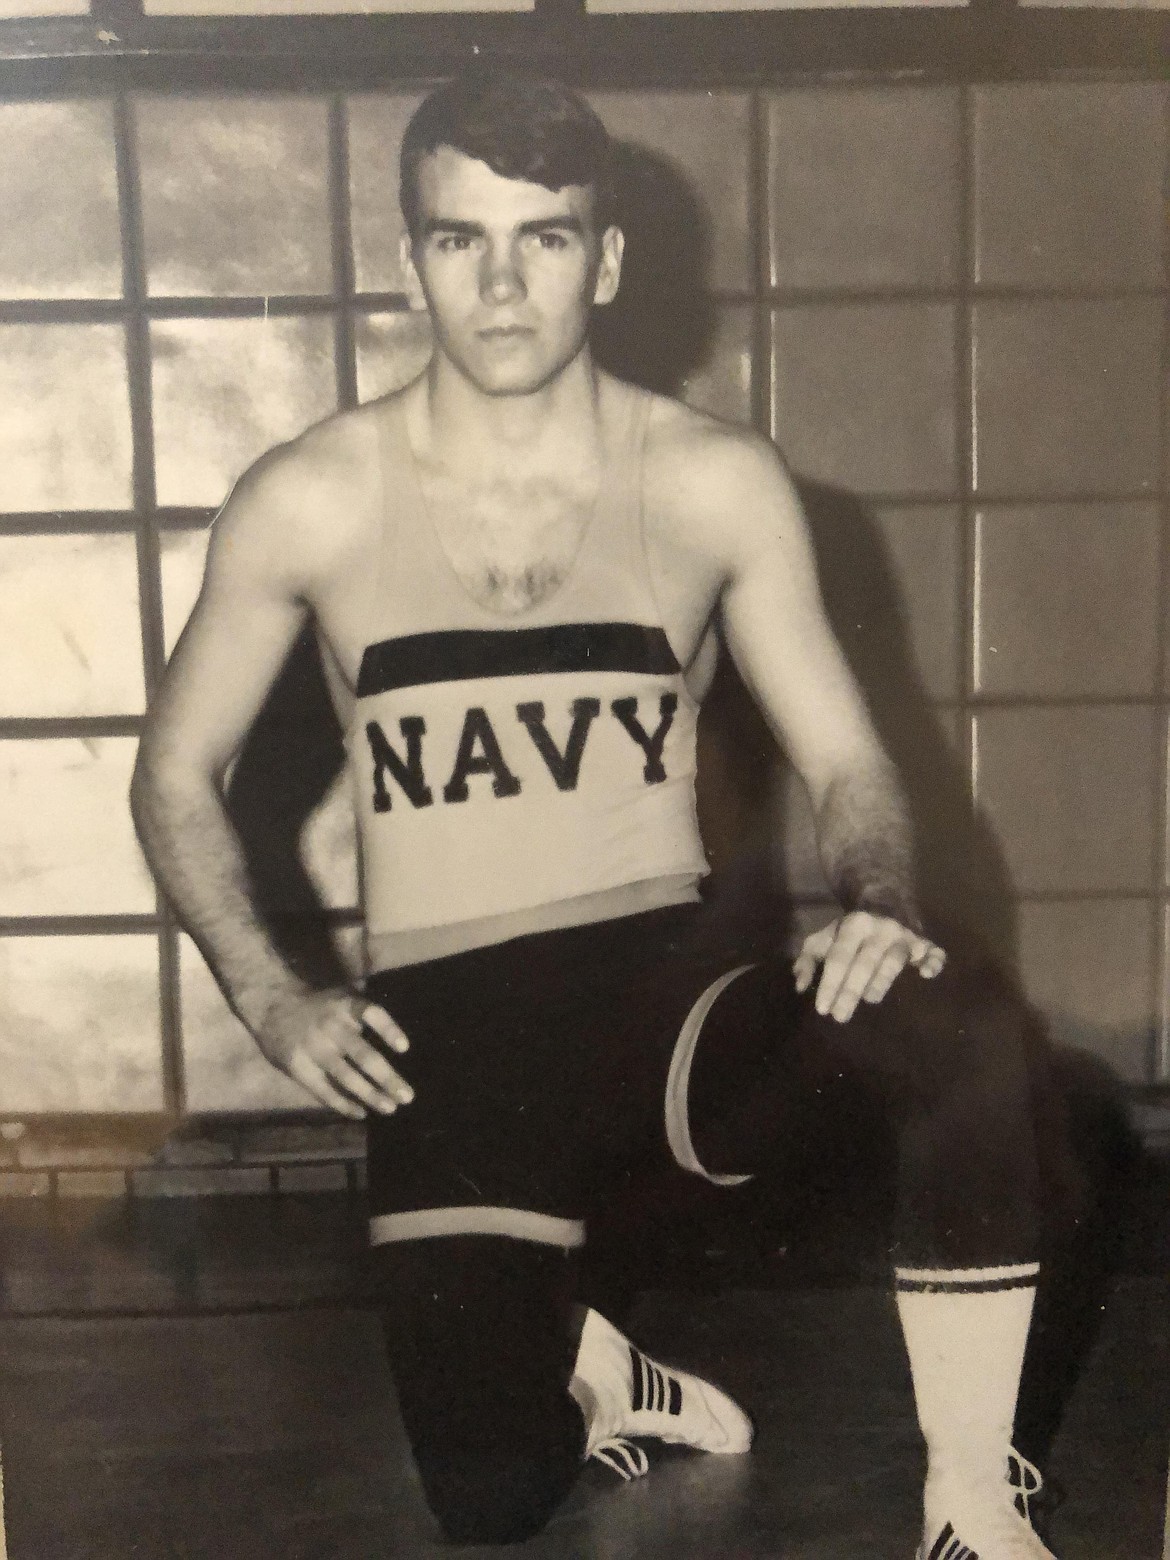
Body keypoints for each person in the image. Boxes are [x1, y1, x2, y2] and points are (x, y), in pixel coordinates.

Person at [132, 72, 1073, 1557]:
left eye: (545, 240)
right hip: (448, 1044)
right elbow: (174, 773)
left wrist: (876, 903)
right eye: (460, 241)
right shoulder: (306, 499)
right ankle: (601, 1371)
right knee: (490, 1497)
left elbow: (850, 767)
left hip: (665, 1011)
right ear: (408, 258)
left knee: (953, 1031)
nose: (501, 285)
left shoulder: (707, 483)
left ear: (609, 259)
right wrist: (269, 993)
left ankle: (964, 1501)